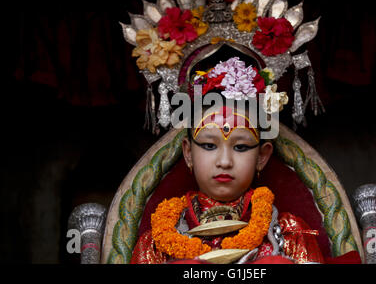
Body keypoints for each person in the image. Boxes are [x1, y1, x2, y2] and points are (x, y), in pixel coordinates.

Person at [130, 53, 327, 264]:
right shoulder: (156, 241)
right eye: (208, 145)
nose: (224, 161)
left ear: (262, 156)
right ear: (188, 153)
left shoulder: (290, 233)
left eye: (241, 147)